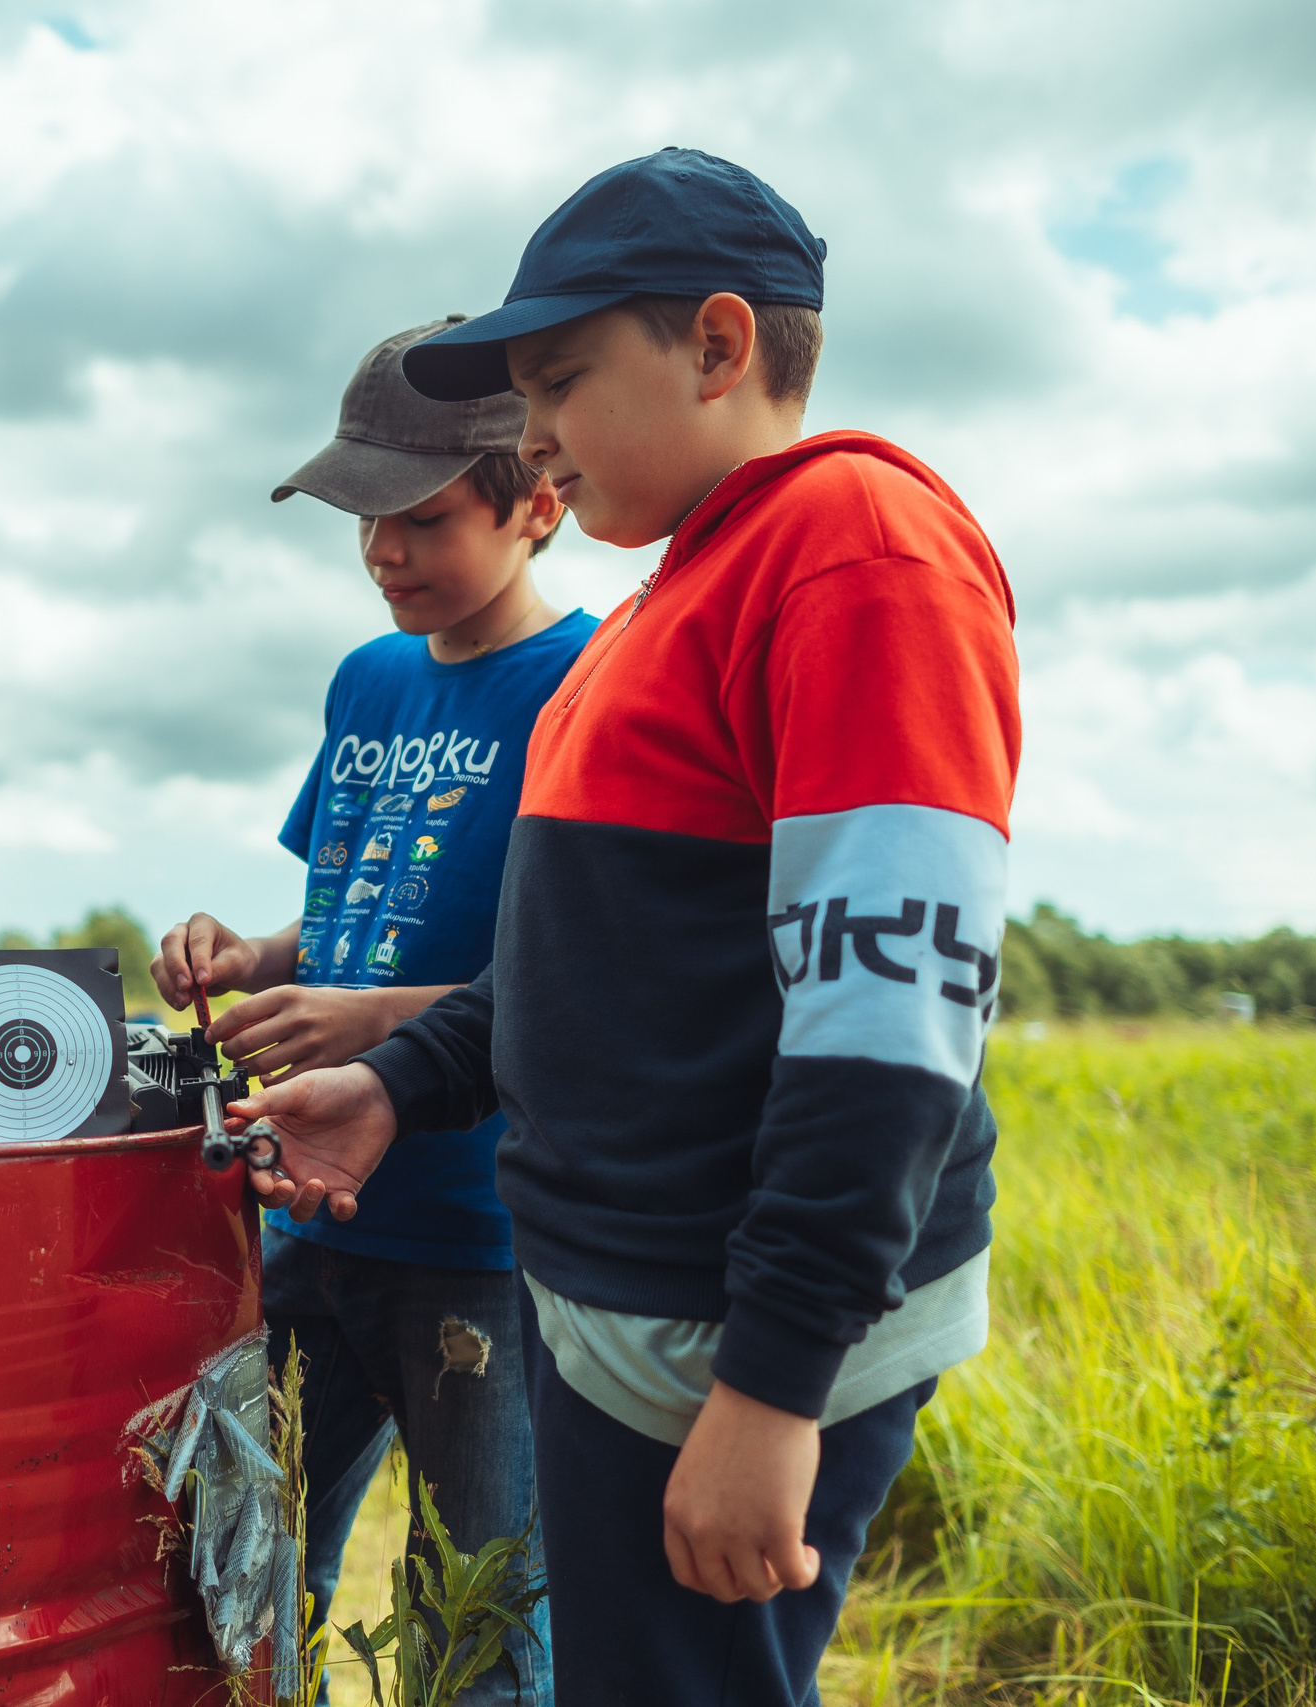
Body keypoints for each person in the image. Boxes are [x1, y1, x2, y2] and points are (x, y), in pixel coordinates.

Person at [232, 149, 1019, 1705]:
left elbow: (886, 1025)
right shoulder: (669, 600)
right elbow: (573, 963)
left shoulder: (858, 552)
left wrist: (772, 1387)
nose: (532, 436)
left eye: (560, 382)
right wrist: (397, 1081)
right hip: (617, 1312)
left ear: (718, 346)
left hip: (724, 1336)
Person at [153, 319, 584, 1707]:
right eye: (364, 522)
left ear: (537, 504)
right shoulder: (369, 678)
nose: (386, 553)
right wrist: (247, 952)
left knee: (477, 1616)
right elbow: (346, 909)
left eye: (425, 518)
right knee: (246, 1577)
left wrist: (367, 1019)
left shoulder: (584, 685)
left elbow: (576, 970)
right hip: (305, 1218)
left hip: (476, 1232)